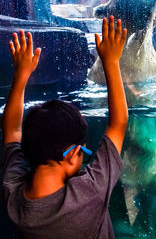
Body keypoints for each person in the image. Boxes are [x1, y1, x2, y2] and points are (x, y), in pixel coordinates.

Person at [1, 15, 128, 239]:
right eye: (83, 153)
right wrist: (112, 61)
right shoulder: (91, 192)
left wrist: (21, 75)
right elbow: (12, 131)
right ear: (72, 154)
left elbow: (11, 131)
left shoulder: (15, 199)